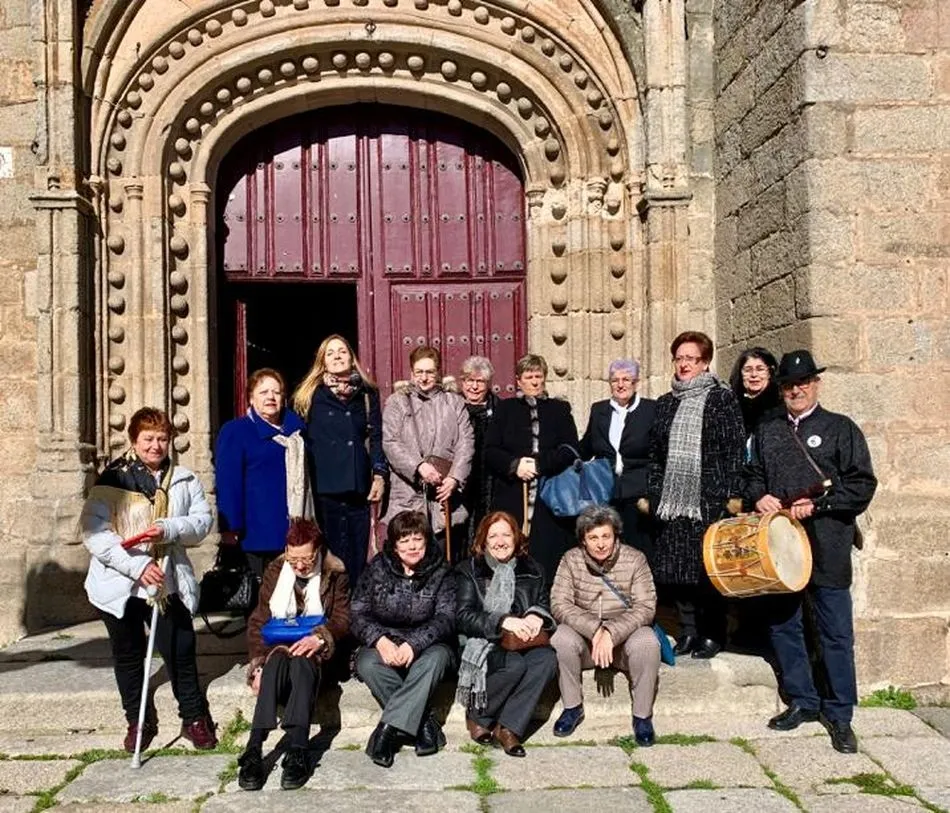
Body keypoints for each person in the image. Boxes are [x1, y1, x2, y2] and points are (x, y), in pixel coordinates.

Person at [744, 350, 877, 753]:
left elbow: (861, 485)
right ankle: (802, 700)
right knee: (785, 625)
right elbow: (750, 476)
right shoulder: (767, 431)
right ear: (780, 389)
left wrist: (818, 506)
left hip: (827, 544)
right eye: (788, 384)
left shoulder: (840, 429)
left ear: (816, 384)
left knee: (835, 633)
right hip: (781, 547)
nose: (795, 390)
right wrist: (760, 495)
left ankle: (840, 715)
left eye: (802, 382)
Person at [81, 407, 217, 752]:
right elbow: (95, 534)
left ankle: (193, 717)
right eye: (148, 439)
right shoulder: (112, 480)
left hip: (166, 581)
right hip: (119, 583)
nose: (155, 446)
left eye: (162, 438)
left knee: (180, 650)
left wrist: (169, 528)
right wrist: (138, 568)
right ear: (133, 440)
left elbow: (201, 522)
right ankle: (137, 720)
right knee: (128, 654)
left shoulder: (183, 479)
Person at [646, 331, 745, 659]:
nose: (684, 364)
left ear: (705, 363)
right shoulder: (665, 403)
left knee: (707, 571)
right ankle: (687, 631)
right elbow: (656, 454)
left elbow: (733, 448)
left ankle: (711, 634)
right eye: (680, 358)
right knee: (677, 571)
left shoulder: (721, 398)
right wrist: (656, 493)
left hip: (709, 498)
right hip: (673, 500)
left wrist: (731, 494)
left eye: (692, 358)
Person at [238, 518, 350, 791]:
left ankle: (298, 747)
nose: (299, 566)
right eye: (293, 558)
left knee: (302, 660)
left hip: (319, 658)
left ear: (319, 551)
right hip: (279, 652)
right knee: (275, 660)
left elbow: (343, 619)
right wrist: (257, 667)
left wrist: (319, 638)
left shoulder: (335, 573)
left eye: (307, 559)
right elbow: (258, 622)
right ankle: (254, 748)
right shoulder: (276, 571)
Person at [351, 510, 457, 768]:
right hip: (385, 641)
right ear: (394, 545)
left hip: (429, 645)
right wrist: (380, 640)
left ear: (427, 541)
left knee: (434, 660)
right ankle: (424, 724)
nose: (411, 546)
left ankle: (386, 732)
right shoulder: (377, 568)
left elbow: (447, 617)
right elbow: (357, 612)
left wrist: (415, 643)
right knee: (366, 663)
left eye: (417, 539)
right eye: (404, 540)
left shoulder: (442, 571)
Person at [549, 505, 660, 745]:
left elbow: (646, 606)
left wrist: (611, 631)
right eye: (593, 538)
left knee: (647, 641)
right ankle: (572, 707)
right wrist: (596, 629)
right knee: (561, 638)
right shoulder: (571, 560)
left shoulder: (635, 559)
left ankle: (642, 716)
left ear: (615, 535)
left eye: (606, 536)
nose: (600, 544)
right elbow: (559, 604)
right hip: (587, 642)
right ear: (583, 540)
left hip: (623, 642)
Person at [454, 511, 557, 756]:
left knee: (546, 660)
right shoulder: (468, 570)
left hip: (523, 641)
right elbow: (463, 615)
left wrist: (536, 615)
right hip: (482, 642)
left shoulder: (534, 569)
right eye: (493, 536)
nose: (500, 541)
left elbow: (545, 603)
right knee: (513, 666)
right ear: (483, 541)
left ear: (516, 538)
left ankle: (509, 727)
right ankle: (479, 715)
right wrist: (502, 621)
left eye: (506, 535)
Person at [293, 335, 387, 585]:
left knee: (358, 552)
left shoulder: (367, 393)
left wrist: (379, 473)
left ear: (351, 357)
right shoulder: (310, 394)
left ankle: (356, 609)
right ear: (322, 361)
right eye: (330, 353)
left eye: (342, 351)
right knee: (330, 550)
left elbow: (376, 436)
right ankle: (332, 607)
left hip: (358, 484)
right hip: (325, 485)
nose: (337, 356)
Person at [485, 353, 579, 586]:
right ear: (518, 380)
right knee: (510, 549)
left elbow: (570, 449)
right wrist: (515, 465)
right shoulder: (505, 409)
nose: (535, 382)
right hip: (511, 493)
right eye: (529, 377)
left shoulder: (559, 409)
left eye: (539, 376)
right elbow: (490, 450)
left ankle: (545, 601)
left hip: (549, 494)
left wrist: (540, 464)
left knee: (547, 552)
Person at [215, 368, 312, 581]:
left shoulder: (298, 433)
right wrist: (230, 528)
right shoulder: (236, 431)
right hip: (257, 532)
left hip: (295, 533)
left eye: (276, 392)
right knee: (261, 602)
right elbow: (228, 483)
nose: (271, 397)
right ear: (251, 398)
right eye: (263, 392)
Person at [382, 346, 474, 560]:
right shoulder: (397, 403)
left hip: (445, 496)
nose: (424, 378)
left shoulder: (454, 402)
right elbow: (390, 441)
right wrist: (419, 467)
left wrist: (455, 477)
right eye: (419, 372)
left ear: (438, 372)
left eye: (430, 372)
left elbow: (466, 442)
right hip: (408, 494)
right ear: (412, 373)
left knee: (444, 561)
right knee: (409, 558)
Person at [579, 358, 658, 565]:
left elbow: (659, 452)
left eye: (626, 379)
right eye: (615, 380)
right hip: (606, 491)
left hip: (640, 493)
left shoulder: (651, 410)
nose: (621, 385)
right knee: (608, 547)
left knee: (640, 550)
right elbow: (586, 447)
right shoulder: (599, 410)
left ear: (636, 382)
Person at [459, 355, 502, 552]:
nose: (474, 387)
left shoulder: (500, 409)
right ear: (462, 382)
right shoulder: (452, 407)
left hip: (491, 483)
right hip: (460, 482)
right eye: (470, 381)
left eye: (480, 381)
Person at [728, 347, 781, 459]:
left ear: (770, 373)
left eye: (760, 369)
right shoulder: (731, 408)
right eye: (748, 370)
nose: (754, 375)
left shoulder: (779, 406)